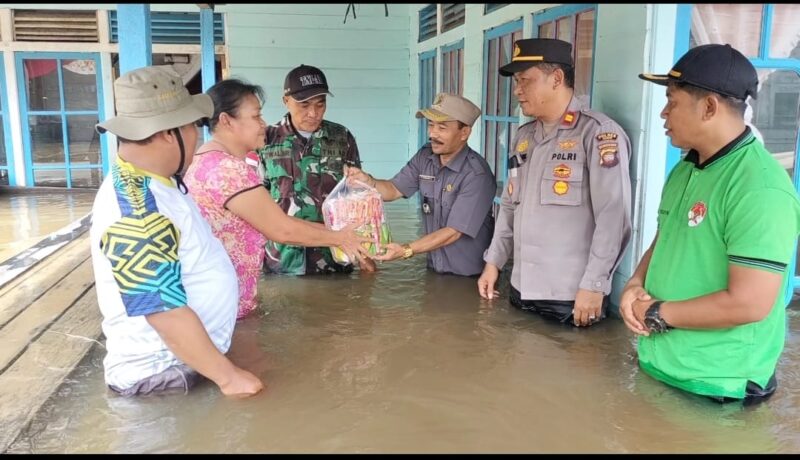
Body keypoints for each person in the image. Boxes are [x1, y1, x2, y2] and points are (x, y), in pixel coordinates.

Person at [622, 43, 800, 404]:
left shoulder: (759, 187)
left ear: (709, 107)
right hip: (663, 364)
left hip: (719, 386)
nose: (663, 113)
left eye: (672, 101)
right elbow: (665, 238)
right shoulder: (686, 167)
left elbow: (748, 303)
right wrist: (634, 284)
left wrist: (656, 313)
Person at [89, 66, 262, 397]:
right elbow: (162, 310)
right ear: (169, 133)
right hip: (164, 377)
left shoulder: (158, 181)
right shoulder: (137, 210)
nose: (199, 135)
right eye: (193, 126)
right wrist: (228, 377)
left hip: (189, 363)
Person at [184, 78, 372, 319]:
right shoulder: (227, 169)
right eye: (255, 116)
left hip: (222, 296)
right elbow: (281, 228)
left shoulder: (207, 160)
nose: (263, 124)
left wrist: (344, 239)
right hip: (226, 301)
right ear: (226, 121)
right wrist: (340, 237)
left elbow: (276, 221)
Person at [477, 38, 633, 327]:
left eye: (525, 80)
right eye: (516, 81)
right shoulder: (523, 137)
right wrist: (493, 263)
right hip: (520, 288)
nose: (517, 90)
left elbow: (613, 218)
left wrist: (595, 285)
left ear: (556, 79)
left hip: (571, 297)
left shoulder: (597, 134)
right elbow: (510, 206)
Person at [345, 93, 496, 277]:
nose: (433, 133)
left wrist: (406, 250)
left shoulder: (477, 174)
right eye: (431, 125)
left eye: (442, 127)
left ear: (464, 133)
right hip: (434, 271)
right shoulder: (425, 157)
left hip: (470, 279)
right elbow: (393, 190)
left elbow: (453, 232)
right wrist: (368, 181)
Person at [256, 64, 375, 275]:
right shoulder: (265, 139)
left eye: (320, 104)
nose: (313, 113)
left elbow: (355, 197)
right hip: (282, 260)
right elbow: (257, 203)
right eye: (304, 105)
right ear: (286, 101)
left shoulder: (341, 137)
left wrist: (365, 252)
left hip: (334, 258)